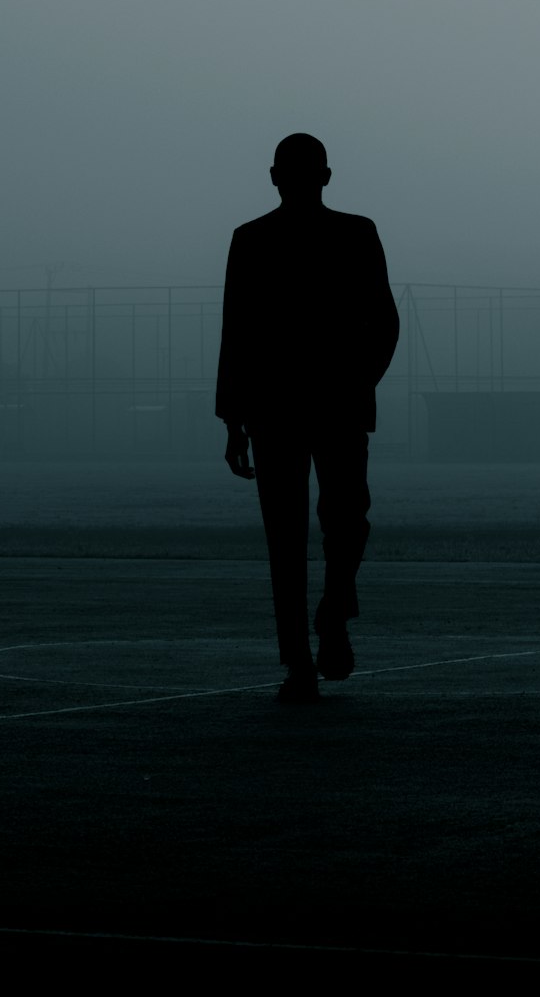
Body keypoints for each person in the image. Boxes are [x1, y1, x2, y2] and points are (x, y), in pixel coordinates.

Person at [216, 134, 400, 702]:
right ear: (327, 175)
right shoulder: (355, 233)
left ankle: (301, 660)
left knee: (287, 538)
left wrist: (233, 419)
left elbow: (237, 335)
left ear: (274, 177)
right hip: (334, 405)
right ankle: (332, 614)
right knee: (346, 521)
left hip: (276, 409)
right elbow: (385, 323)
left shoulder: (251, 240)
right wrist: (358, 381)